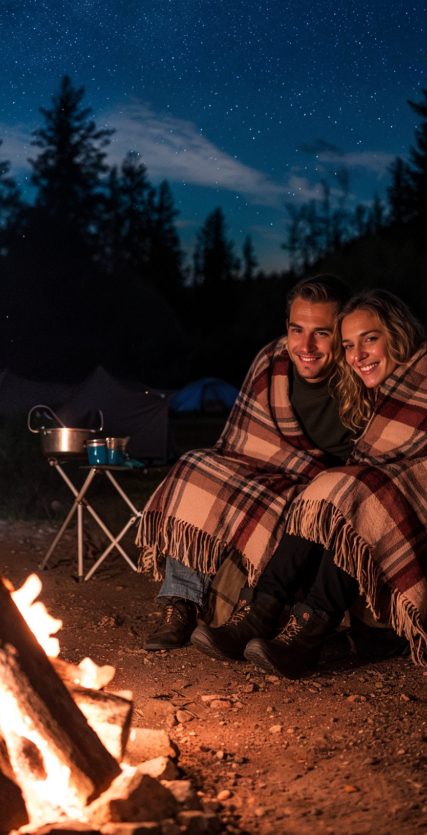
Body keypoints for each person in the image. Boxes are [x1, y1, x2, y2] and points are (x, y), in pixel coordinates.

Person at [237, 290, 427, 678]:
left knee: (355, 495)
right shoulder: (378, 392)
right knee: (332, 493)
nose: (357, 356)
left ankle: (308, 631)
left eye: (369, 339)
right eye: (348, 346)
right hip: (406, 524)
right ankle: (262, 609)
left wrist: (357, 488)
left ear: (397, 333)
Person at [138, 273, 354, 650]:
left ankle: (253, 612)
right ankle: (181, 602)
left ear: (343, 333)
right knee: (196, 465)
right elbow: (242, 443)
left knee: (311, 501)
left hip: (320, 485)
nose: (305, 345)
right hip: (264, 468)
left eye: (322, 332)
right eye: (296, 329)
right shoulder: (272, 362)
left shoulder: (360, 377)